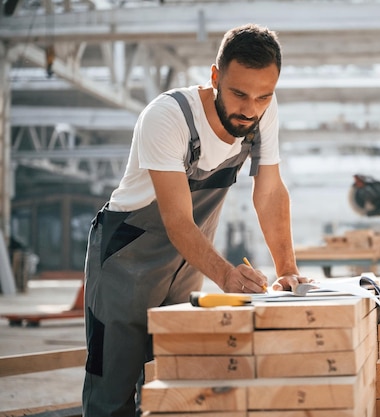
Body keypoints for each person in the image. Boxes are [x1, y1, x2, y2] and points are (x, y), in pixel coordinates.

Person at [82, 23, 310, 417]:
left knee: (176, 385)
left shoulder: (261, 112)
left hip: (187, 261)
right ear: (215, 76)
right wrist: (225, 275)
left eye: (263, 96)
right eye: (239, 94)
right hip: (126, 260)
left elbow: (270, 192)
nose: (251, 109)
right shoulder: (167, 118)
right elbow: (176, 219)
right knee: (112, 390)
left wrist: (287, 269)